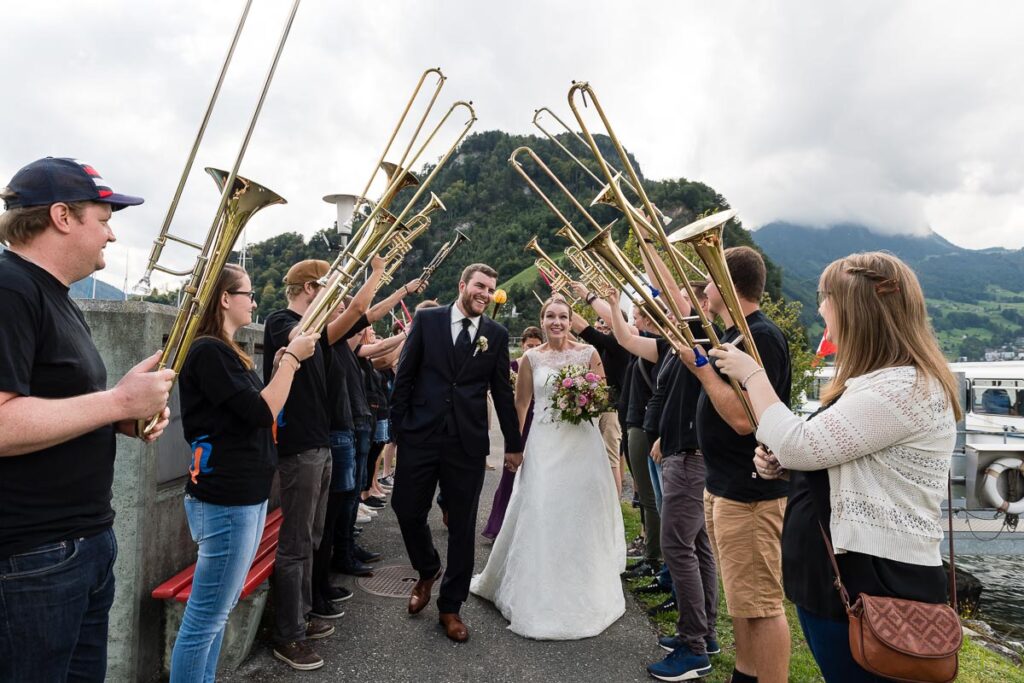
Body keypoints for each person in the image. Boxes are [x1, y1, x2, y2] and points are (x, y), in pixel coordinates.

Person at [710, 252, 961, 682]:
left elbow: (797, 443)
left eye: (827, 301)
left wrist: (753, 377)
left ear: (857, 312)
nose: (821, 311)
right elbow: (845, 459)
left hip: (872, 581)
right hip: (838, 577)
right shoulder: (879, 382)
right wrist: (789, 469)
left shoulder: (902, 387)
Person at [0, 157, 174, 682]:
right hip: (36, 555)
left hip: (79, 544)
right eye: (102, 219)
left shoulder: (55, 296)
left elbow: (51, 406)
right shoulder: (11, 289)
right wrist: (118, 403)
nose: (112, 234)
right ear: (61, 216)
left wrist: (115, 418)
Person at [170, 264, 318, 681]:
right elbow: (260, 411)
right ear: (224, 299)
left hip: (242, 496)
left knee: (219, 610)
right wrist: (289, 360)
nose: (253, 302)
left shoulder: (224, 350)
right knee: (205, 618)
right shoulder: (208, 351)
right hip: (226, 498)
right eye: (248, 294)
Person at [470, 296, 626, 639]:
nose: (557, 322)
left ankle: (580, 581)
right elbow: (522, 402)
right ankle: (537, 588)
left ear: (572, 321)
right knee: (541, 508)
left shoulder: (589, 354)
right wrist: (514, 446)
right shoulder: (530, 357)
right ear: (542, 321)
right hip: (542, 444)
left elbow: (603, 397)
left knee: (579, 511)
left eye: (563, 316)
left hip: (582, 444)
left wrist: (586, 401)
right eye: (551, 316)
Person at [261, 256, 384, 670]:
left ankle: (304, 615)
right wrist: (374, 277)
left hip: (320, 444)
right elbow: (328, 322)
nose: (337, 297)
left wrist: (377, 277)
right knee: (296, 543)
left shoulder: (317, 334)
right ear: (312, 290)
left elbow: (353, 314)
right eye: (329, 286)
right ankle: (287, 635)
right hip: (299, 447)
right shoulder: (282, 322)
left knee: (313, 537)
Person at [676, 246, 792, 683]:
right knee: (742, 600)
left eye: (707, 278)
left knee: (762, 604)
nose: (702, 289)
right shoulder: (738, 335)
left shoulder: (759, 336)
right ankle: (744, 674)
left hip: (751, 495)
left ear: (725, 284)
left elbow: (746, 420)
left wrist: (702, 370)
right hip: (724, 485)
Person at [390, 263, 522, 643]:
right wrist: (399, 428)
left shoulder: (495, 334)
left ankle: (451, 606)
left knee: (462, 525)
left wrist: (513, 444)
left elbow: (501, 391)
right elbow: (405, 376)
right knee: (406, 508)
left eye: (491, 288)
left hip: (467, 442)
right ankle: (427, 568)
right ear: (463, 285)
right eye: (480, 286)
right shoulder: (427, 319)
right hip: (421, 435)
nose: (485, 293)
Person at [481, 325, 544, 540]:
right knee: (510, 475)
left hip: (538, 422)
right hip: (517, 423)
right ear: (522, 345)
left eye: (536, 345)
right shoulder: (512, 367)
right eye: (529, 346)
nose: (532, 349)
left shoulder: (544, 365)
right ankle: (499, 525)